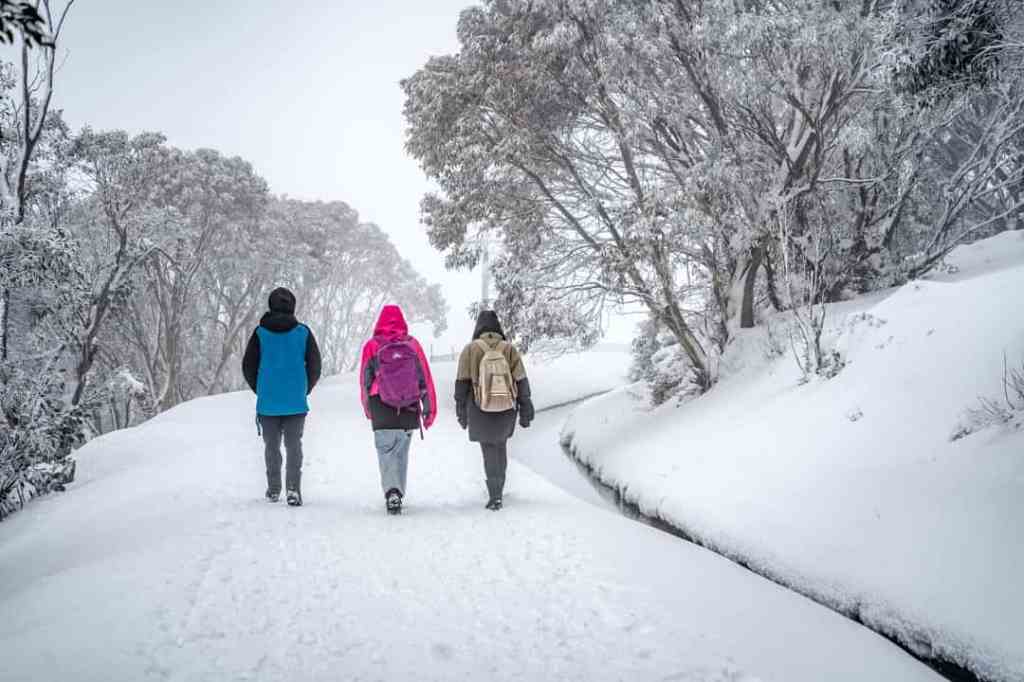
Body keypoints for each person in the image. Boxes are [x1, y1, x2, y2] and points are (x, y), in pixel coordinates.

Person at [242, 287, 322, 507]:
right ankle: (293, 489)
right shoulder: (303, 333)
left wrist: (262, 389)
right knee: (294, 444)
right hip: (296, 400)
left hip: (268, 401)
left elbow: (248, 366)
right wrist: (304, 388)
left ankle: (274, 488)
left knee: (271, 446)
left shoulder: (260, 333)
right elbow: (315, 365)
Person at [359, 304, 437, 515]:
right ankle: (398, 492)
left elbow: (365, 380)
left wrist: (368, 408)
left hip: (381, 404)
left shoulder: (371, 346)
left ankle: (391, 491)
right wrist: (430, 410)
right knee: (401, 451)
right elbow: (425, 379)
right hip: (408, 404)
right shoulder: (413, 345)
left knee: (385, 451)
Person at [454, 310, 534, 511]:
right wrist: (526, 407)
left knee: (488, 449)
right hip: (506, 407)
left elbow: (461, 385)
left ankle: (495, 494)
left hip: (479, 407)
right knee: (500, 446)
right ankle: (498, 488)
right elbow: (521, 380)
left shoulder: (470, 350)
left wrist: (461, 412)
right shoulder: (509, 349)